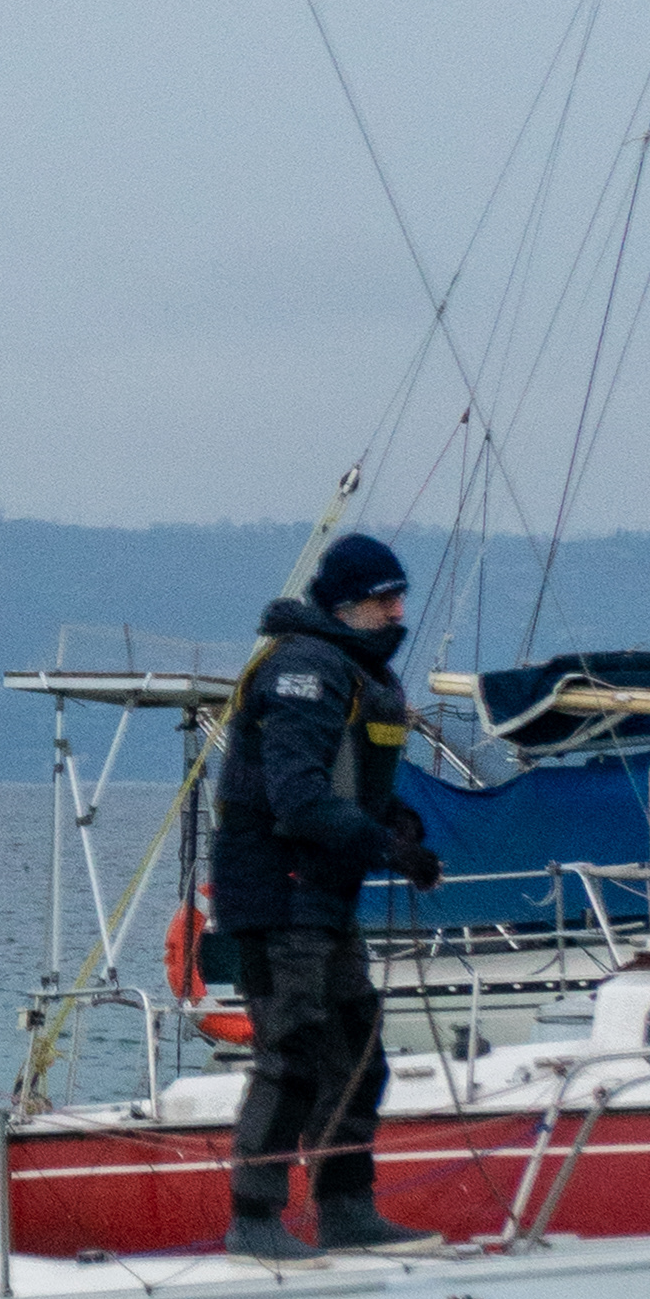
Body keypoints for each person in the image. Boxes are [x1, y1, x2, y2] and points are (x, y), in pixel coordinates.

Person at [205, 526, 440, 1256]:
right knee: (294, 1053)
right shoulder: (303, 669)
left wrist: (395, 823)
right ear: (343, 605)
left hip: (325, 896)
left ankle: (345, 1210)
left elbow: (350, 786)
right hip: (278, 894)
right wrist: (387, 848)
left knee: (357, 1057)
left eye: (400, 596)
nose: (398, 611)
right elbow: (298, 798)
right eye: (383, 599)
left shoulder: (362, 674)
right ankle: (253, 1221)